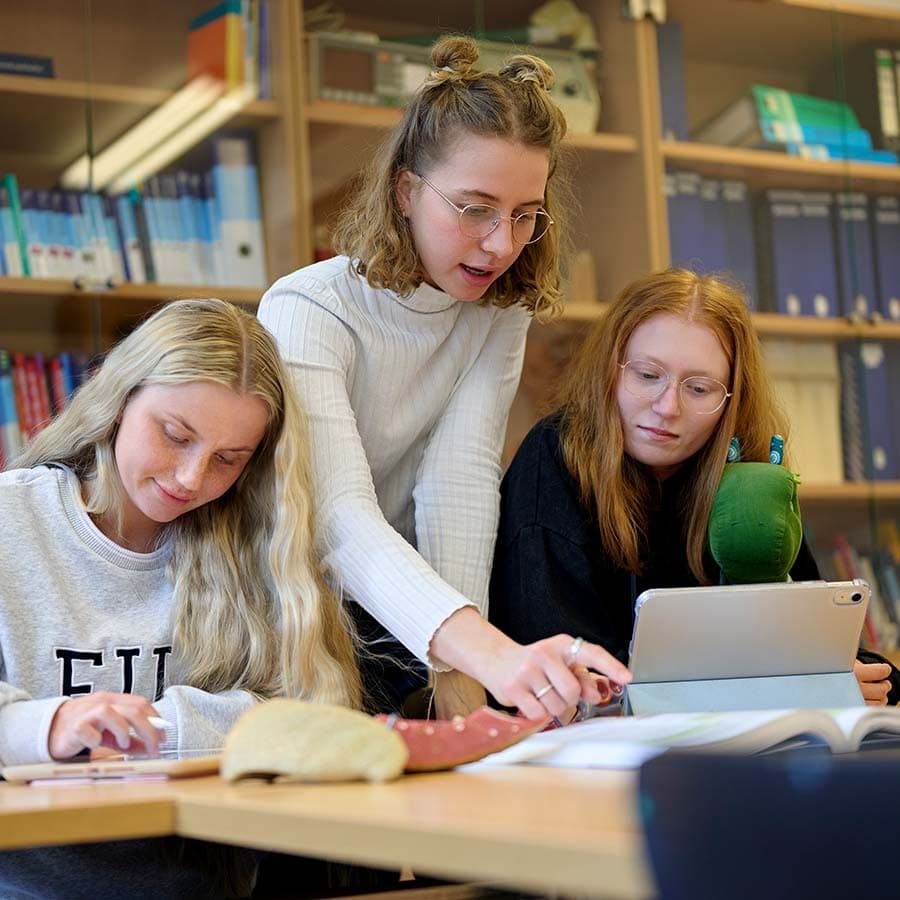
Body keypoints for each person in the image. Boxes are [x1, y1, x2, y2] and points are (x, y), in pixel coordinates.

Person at [258, 34, 630, 722]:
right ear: (405, 190)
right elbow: (336, 519)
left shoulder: (494, 312)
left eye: (525, 215)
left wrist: (464, 703)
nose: (501, 243)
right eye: (475, 208)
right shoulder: (306, 308)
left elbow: (457, 488)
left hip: (400, 615)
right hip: (281, 616)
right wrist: (486, 656)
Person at [0, 299, 361, 899]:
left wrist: (156, 728)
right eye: (174, 435)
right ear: (117, 402)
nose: (192, 479)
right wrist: (52, 724)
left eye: (228, 460)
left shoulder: (250, 536)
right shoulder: (12, 518)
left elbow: (307, 712)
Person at [490, 268, 899, 707]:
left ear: (731, 400)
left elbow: (811, 645)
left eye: (700, 388)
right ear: (610, 369)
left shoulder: (750, 476)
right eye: (647, 375)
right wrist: (784, 688)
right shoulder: (555, 456)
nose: (667, 407)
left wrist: (856, 673)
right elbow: (578, 682)